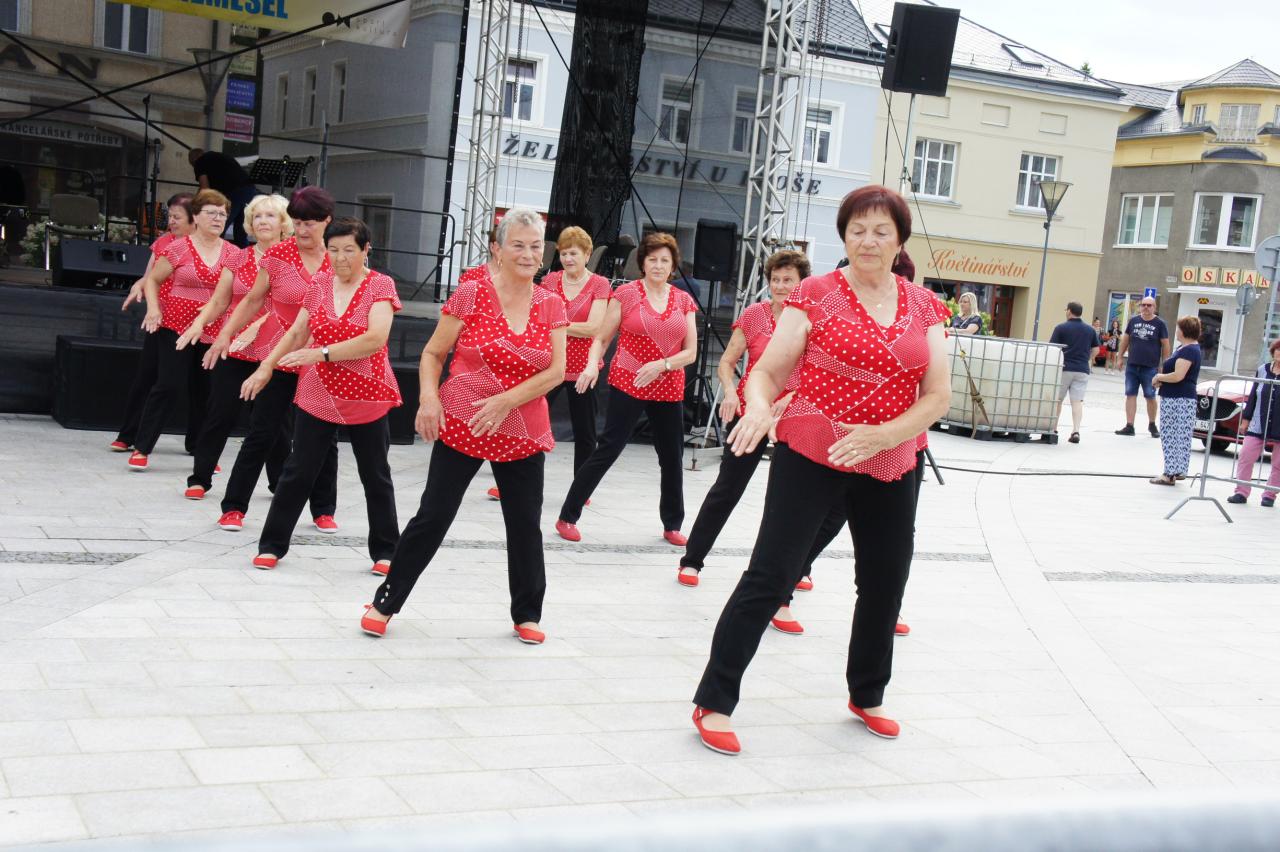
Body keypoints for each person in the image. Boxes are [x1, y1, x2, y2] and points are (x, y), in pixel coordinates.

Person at [690, 185, 951, 755]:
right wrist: (758, 406)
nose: (868, 241)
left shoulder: (925, 306)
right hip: (812, 452)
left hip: (890, 458)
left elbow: (937, 395)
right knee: (771, 575)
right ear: (844, 236)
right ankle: (714, 699)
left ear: (900, 240)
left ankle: (867, 693)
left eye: (881, 231)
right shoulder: (816, 293)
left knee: (885, 581)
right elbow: (768, 372)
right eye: (857, 230)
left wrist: (885, 435)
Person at [361, 207, 567, 643]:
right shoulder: (471, 294)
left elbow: (555, 371)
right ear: (497, 249)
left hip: (523, 429)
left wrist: (507, 401)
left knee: (524, 524)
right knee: (433, 516)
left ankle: (527, 613)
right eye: (518, 245)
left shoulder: (552, 303)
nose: (528, 254)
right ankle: (386, 601)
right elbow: (433, 354)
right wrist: (429, 399)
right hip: (464, 422)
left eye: (535, 246)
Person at [241, 218, 402, 571]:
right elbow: (298, 332)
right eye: (333, 250)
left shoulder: (380, 285)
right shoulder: (319, 284)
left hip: (366, 389)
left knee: (375, 473)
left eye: (349, 250)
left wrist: (321, 354)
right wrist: (267, 365)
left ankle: (386, 551)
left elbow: (375, 339)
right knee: (298, 469)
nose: (340, 258)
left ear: (366, 249)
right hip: (320, 388)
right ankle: (272, 545)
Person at [202, 186, 340, 533]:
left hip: (321, 355)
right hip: (278, 353)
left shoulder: (338, 255)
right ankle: (234, 507)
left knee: (324, 436)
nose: (302, 230)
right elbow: (252, 299)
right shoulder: (279, 254)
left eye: (309, 223)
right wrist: (225, 334)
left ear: (326, 221)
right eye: (298, 222)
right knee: (262, 431)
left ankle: (323, 508)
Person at [554, 232, 699, 545]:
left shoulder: (683, 300)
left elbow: (690, 353)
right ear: (642, 263)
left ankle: (673, 524)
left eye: (664, 260)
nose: (658, 265)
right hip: (629, 380)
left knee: (672, 456)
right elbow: (601, 338)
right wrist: (592, 365)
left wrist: (663, 365)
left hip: (668, 385)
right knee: (608, 448)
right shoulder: (627, 294)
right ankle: (567, 516)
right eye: (652, 259)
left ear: (673, 265)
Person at [678, 250, 810, 588]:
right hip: (751, 411)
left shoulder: (812, 319)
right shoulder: (754, 314)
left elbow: (819, 371)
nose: (780, 286)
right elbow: (727, 362)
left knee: (792, 499)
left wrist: (793, 397)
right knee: (727, 487)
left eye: (788, 280)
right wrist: (730, 391)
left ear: (801, 283)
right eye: (775, 280)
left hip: (793, 416)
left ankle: (799, 568)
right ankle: (692, 560)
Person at [176, 194, 292, 499]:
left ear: (284, 223)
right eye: (257, 216)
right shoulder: (238, 257)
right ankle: (200, 478)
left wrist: (258, 326)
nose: (262, 221)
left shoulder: (292, 259)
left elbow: (292, 306)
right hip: (235, 345)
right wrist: (199, 324)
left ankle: (279, 482)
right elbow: (220, 301)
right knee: (220, 411)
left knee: (273, 422)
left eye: (270, 215)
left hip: (273, 348)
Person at [125, 190, 238, 471]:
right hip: (175, 324)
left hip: (213, 328)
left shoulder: (233, 253)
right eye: (211, 213)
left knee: (206, 390)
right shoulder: (178, 248)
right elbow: (153, 280)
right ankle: (142, 447)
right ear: (196, 216)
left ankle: (202, 452)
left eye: (222, 214)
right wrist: (154, 309)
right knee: (169, 384)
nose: (218, 218)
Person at [112, 193, 195, 454]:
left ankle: (197, 444)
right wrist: (138, 287)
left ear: (194, 219)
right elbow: (148, 277)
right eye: (170, 216)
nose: (172, 222)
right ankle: (128, 434)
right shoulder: (164, 242)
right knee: (146, 376)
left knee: (197, 384)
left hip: (198, 323)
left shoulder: (205, 246)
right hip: (160, 319)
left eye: (177, 217)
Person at [539, 226, 612, 476]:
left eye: (573, 253)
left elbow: (594, 328)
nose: (568, 259)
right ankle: (515, 481)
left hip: (583, 368)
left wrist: (557, 325)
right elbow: (539, 320)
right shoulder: (550, 281)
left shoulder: (600, 284)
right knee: (529, 421)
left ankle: (581, 487)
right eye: (563, 254)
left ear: (587, 254)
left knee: (585, 432)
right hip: (549, 364)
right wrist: (569, 327)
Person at [1149, 316, 1202, 486]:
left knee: (1172, 435)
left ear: (1184, 331)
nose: (1176, 331)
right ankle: (1178, 470)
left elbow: (1179, 375)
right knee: (1180, 436)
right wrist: (1163, 381)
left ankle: (1170, 473)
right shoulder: (1186, 348)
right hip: (1178, 396)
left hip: (1178, 399)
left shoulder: (1188, 350)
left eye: (1178, 328)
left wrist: (1159, 376)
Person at [1228, 339, 1280, 507]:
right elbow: (1253, 397)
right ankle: (1241, 492)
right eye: (1278, 349)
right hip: (1258, 422)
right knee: (1246, 455)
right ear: (1273, 351)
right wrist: (1245, 420)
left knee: (1279, 463)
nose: (1279, 353)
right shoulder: (1262, 370)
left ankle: (1270, 495)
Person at [1115, 297, 1170, 437]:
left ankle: (1152, 424)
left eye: (1149, 305)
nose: (1146, 307)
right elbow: (1125, 339)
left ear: (1154, 307)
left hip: (1150, 367)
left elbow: (1165, 344)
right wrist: (1120, 357)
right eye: (1143, 305)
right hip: (1132, 365)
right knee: (1130, 394)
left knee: (1150, 396)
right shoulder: (1133, 321)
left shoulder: (1160, 323)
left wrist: (1164, 365)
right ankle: (1129, 426)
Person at [1049, 301, 1100, 444]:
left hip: (1064, 368)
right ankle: (1076, 431)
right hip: (1082, 369)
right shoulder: (1090, 330)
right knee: (1077, 401)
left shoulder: (1061, 328)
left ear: (1069, 311)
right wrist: (1087, 359)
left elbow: (1053, 348)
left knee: (1057, 400)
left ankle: (1053, 429)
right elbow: (1096, 349)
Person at [188, 148, 259, 247]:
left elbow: (205, 189)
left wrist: (196, 207)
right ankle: (244, 255)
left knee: (218, 227)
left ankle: (213, 253)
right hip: (249, 190)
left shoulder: (200, 162)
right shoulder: (221, 156)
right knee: (241, 233)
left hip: (233, 193)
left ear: (194, 159)